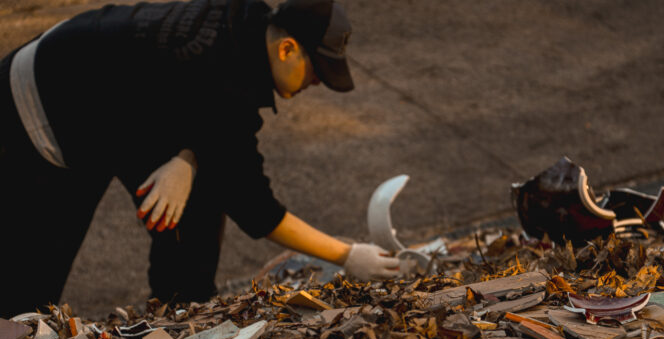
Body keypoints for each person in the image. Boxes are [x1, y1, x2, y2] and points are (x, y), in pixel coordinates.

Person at [0, 0, 400, 318]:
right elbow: (258, 211)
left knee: (199, 199)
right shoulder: (225, 80)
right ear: (288, 48)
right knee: (29, 284)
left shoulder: (245, 22)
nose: (317, 84)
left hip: (112, 105)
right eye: (318, 72)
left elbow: (184, 93)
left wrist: (188, 158)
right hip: (38, 108)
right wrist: (347, 255)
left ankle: (180, 313)